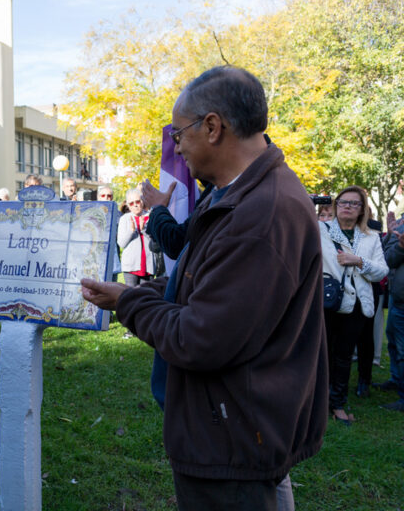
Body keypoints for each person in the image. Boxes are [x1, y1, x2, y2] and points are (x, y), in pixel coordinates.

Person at [81, 66, 327, 511]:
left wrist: (129, 301)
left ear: (213, 127)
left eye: (179, 134)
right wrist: (149, 292)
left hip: (233, 438)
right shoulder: (236, 195)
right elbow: (205, 284)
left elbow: (200, 337)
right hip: (233, 427)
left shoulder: (261, 214)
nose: (176, 147)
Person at [320, 187, 388, 422]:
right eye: (343, 202)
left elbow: (382, 271)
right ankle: (319, 401)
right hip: (327, 301)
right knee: (322, 353)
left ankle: (337, 403)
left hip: (357, 305)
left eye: (354, 203)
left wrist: (358, 261)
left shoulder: (371, 237)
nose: (347, 206)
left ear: (362, 210)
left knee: (344, 355)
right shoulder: (320, 230)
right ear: (336, 205)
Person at [380, 213, 404, 411]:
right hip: (397, 298)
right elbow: (387, 258)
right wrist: (393, 238)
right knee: (394, 343)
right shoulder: (401, 225)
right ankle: (397, 379)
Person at [117, 188, 154, 286]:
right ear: (128, 205)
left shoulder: (151, 216)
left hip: (148, 266)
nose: (135, 205)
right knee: (131, 293)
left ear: (142, 201)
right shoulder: (124, 219)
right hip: (130, 267)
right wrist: (131, 231)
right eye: (131, 203)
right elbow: (121, 243)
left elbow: (155, 243)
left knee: (146, 294)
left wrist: (143, 230)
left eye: (137, 201)